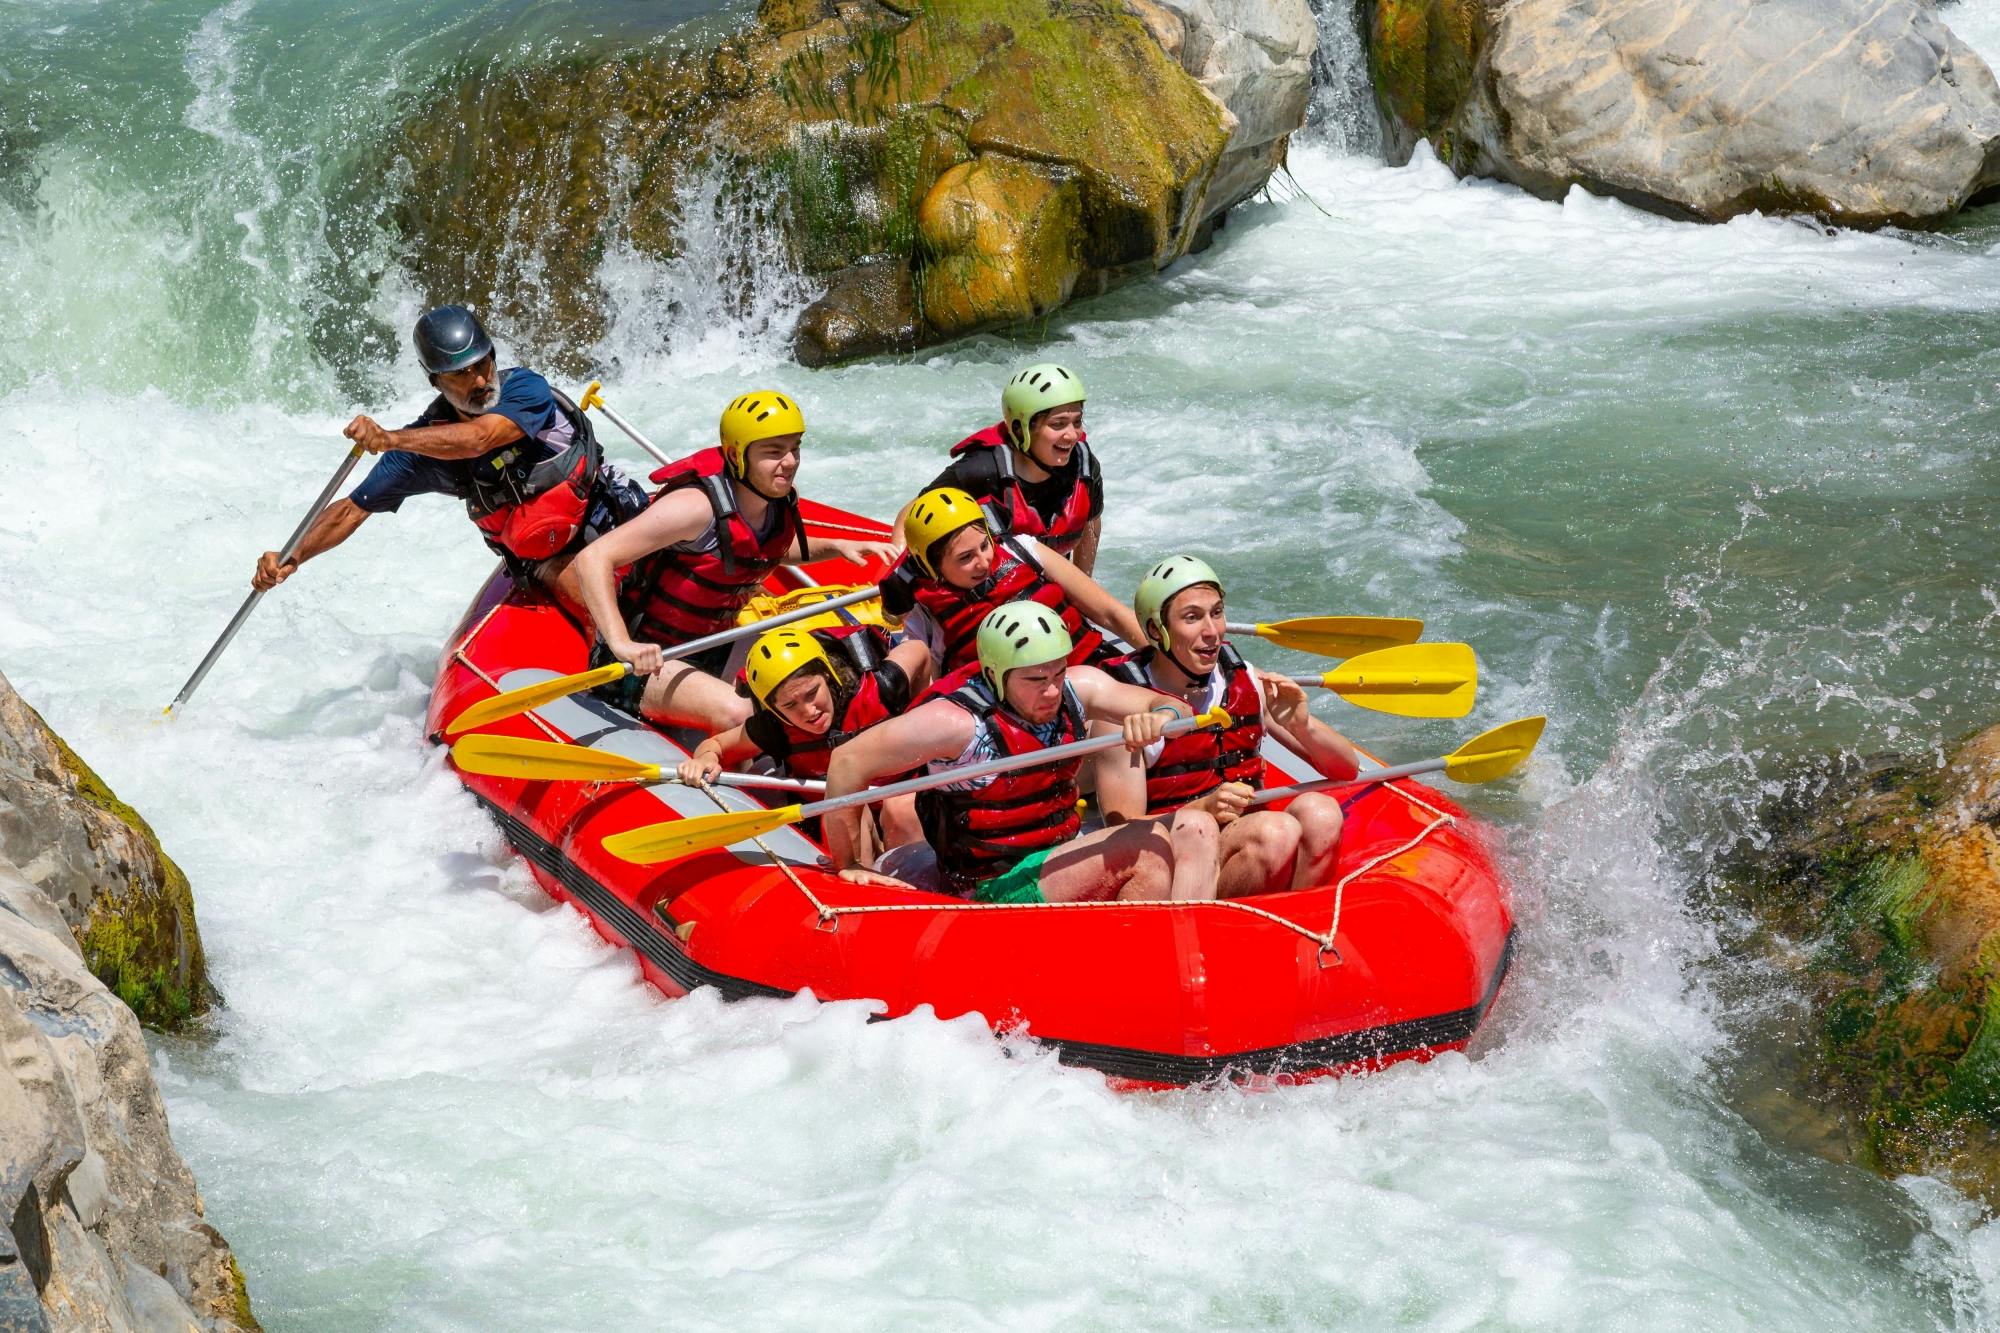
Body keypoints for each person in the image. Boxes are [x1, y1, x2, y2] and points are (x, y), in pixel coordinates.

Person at [824, 602, 1224, 904]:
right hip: (993, 886)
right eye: (1035, 679)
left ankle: (1180, 961)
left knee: (1197, 827)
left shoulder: (1076, 687)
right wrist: (848, 864)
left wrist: (1162, 715)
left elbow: (1175, 708)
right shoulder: (953, 723)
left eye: (1057, 672)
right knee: (1148, 853)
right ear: (996, 674)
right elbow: (847, 761)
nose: (1052, 690)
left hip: (1055, 858)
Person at [252, 305, 645, 605]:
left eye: (482, 364)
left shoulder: (525, 389)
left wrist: (391, 438)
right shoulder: (421, 450)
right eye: (460, 373)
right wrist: (292, 556)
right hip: (550, 557)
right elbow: (351, 510)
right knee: (589, 593)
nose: (478, 380)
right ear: (435, 381)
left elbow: (481, 438)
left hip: (608, 512)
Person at [571, 391, 894, 731]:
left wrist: (838, 546)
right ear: (736, 455)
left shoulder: (769, 500)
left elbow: (766, 551)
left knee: (817, 673)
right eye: (773, 452)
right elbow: (593, 558)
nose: (790, 462)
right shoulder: (692, 508)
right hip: (645, 661)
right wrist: (623, 644)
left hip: (714, 646)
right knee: (743, 714)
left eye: (794, 448)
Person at [1096, 556, 1361, 897]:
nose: (1212, 632)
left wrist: (1303, 725)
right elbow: (1122, 834)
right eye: (1192, 617)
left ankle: (1291, 926)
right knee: (1275, 833)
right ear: (1153, 631)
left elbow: (1346, 768)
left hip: (1251, 835)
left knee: (1322, 813)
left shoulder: (1243, 677)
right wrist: (1203, 807)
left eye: (1217, 613)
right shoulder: (1123, 708)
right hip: (1178, 856)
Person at [677, 624, 933, 860]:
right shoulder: (775, 728)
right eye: (790, 705)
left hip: (904, 803)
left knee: (901, 809)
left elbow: (919, 651)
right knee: (846, 802)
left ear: (828, 674)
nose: (809, 711)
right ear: (774, 709)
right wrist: (705, 758)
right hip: (841, 817)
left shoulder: (881, 686)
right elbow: (716, 746)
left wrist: (917, 711)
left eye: (813, 693)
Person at [881, 486, 1141, 675]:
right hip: (1025, 712)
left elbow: (1110, 613)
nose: (983, 562)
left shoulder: (1022, 549)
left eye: (985, 545)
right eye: (965, 557)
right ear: (932, 566)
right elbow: (933, 686)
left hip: (1092, 669)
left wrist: (1169, 661)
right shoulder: (925, 614)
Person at [915, 363, 1102, 572]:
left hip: (1045, 589)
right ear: (1021, 431)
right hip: (988, 593)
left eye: (1077, 422)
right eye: (1058, 424)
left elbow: (1090, 526)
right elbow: (915, 511)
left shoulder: (1083, 467)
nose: (1072, 434)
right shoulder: (982, 470)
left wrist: (1083, 588)